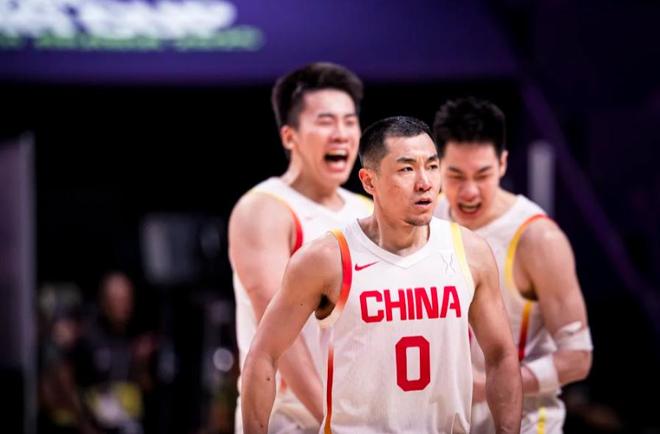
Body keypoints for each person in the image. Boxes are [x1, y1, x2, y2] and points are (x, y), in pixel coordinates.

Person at [241, 116, 522, 433]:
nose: (424, 182)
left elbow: (501, 355)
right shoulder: (326, 259)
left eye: (432, 166)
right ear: (369, 181)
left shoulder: (470, 252)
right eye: (406, 169)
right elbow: (263, 355)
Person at [432, 97, 593, 433]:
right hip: (447, 420)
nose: (469, 192)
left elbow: (578, 358)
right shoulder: (426, 217)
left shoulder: (538, 238)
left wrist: (489, 384)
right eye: (455, 175)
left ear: (503, 163)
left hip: (527, 420)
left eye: (483, 175)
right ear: (436, 166)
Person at [228, 62, 373, 433]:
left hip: (363, 417)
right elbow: (280, 337)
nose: (341, 134)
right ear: (289, 136)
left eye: (349, 121)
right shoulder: (264, 209)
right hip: (289, 419)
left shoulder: (368, 210)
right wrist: (335, 422)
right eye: (325, 121)